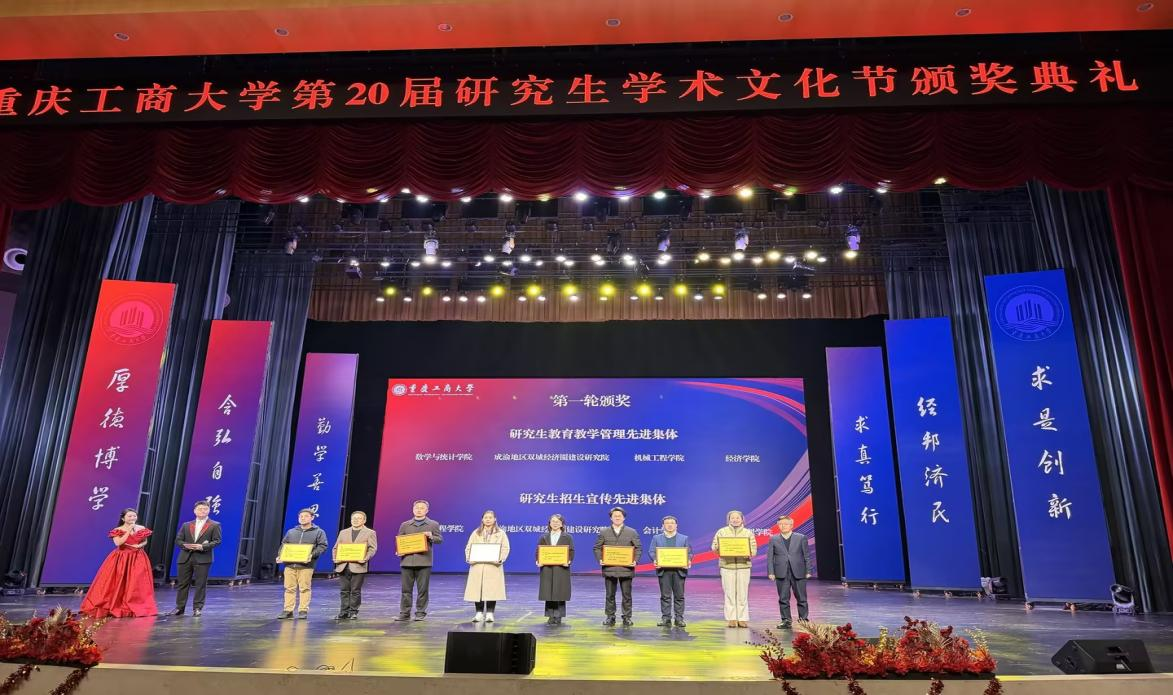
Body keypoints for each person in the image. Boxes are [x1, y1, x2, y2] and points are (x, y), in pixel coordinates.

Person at [80, 508, 157, 618]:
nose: (133, 518)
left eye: (134, 516)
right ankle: (116, 604)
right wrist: (128, 531)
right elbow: (118, 543)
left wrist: (139, 545)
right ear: (123, 518)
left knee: (137, 582)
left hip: (138, 557)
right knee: (117, 581)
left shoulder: (141, 528)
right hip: (122, 558)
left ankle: (137, 604)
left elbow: (145, 541)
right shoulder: (118, 530)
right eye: (129, 516)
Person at [170, 500, 221, 617]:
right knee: (182, 584)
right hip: (185, 557)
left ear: (209, 510)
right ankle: (179, 608)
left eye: (205, 509)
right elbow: (178, 540)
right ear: (195, 511)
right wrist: (186, 545)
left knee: (200, 584)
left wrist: (202, 547)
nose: (202, 511)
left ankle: (197, 608)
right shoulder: (186, 525)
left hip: (203, 558)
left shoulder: (214, 525)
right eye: (200, 509)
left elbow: (217, 541)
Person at [395, 499, 443, 621]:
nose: (419, 510)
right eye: (417, 508)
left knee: (423, 590)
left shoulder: (433, 524)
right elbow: (400, 541)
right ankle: (404, 613)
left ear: (427, 510)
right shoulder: (405, 524)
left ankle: (420, 613)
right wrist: (399, 550)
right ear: (413, 509)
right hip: (407, 561)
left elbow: (439, 539)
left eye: (422, 508)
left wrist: (431, 536)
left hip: (424, 561)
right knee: (406, 590)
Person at [592, 506, 641, 627]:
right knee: (610, 595)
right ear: (611, 518)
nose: (617, 518)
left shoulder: (632, 532)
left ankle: (627, 617)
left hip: (626, 569)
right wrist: (600, 559)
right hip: (610, 568)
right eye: (615, 516)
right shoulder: (604, 532)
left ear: (624, 518)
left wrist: (635, 560)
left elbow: (638, 548)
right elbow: (597, 547)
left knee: (627, 595)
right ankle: (610, 617)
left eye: (620, 516)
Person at [276, 508, 328, 620]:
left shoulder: (319, 532)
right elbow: (284, 545)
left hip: (306, 566)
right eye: (301, 516)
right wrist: (280, 556)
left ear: (312, 517)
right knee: (289, 588)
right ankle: (288, 610)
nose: (303, 518)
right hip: (290, 565)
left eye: (306, 516)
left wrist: (311, 555)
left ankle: (303, 610)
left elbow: (322, 546)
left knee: (304, 588)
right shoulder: (291, 532)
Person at [712, 509, 758, 628]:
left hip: (744, 566)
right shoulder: (722, 532)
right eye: (732, 518)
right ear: (729, 520)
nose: (735, 520)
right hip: (727, 566)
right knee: (729, 593)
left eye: (737, 518)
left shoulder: (748, 533)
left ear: (742, 519)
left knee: (743, 594)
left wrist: (748, 552)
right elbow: (714, 547)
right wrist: (718, 547)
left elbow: (753, 550)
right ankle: (731, 618)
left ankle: (742, 618)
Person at [463, 510, 510, 622]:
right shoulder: (476, 533)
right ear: (482, 519)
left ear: (495, 519)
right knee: (477, 590)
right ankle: (479, 613)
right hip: (478, 565)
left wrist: (500, 559)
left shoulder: (500, 533)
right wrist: (470, 558)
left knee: (491, 590)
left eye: (490, 517)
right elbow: (469, 547)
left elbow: (505, 548)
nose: (488, 519)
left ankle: (490, 613)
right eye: (486, 517)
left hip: (493, 566)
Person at [766, 514, 811, 629]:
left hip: (798, 571)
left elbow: (806, 555)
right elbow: (770, 557)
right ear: (778, 526)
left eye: (786, 524)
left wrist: (808, 570)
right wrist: (771, 572)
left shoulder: (801, 537)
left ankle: (803, 620)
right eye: (781, 524)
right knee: (783, 598)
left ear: (791, 525)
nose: (783, 526)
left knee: (801, 598)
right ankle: (786, 620)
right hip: (781, 572)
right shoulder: (773, 539)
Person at [331, 510, 378, 620]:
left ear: (364, 520)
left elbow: (372, 548)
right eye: (354, 518)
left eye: (359, 518)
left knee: (355, 590)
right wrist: (335, 558)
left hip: (358, 566)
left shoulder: (370, 533)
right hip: (343, 565)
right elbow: (336, 547)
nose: (356, 520)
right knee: (344, 590)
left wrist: (365, 558)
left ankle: (353, 611)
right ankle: (343, 611)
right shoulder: (343, 532)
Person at [649, 515, 691, 628]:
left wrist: (688, 560)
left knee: (679, 596)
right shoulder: (656, 538)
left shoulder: (684, 538)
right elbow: (651, 551)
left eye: (672, 523)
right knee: (665, 596)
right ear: (663, 526)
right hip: (664, 571)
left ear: (676, 525)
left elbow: (689, 553)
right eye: (667, 523)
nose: (670, 525)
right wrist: (655, 559)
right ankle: (666, 619)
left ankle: (679, 619)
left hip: (679, 571)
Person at [536, 513, 574, 625]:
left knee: (560, 591)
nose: (555, 523)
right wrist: (538, 560)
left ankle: (558, 615)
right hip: (547, 567)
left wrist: (568, 561)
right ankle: (550, 615)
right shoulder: (544, 537)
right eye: (553, 521)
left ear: (562, 524)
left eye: (558, 521)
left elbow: (571, 551)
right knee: (548, 591)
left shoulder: (567, 537)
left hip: (561, 568)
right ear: (550, 523)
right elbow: (539, 551)